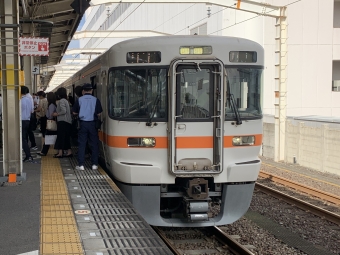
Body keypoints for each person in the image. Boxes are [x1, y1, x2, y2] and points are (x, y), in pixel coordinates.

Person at [72, 83, 102, 170]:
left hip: (83, 124)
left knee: (82, 144)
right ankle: (94, 164)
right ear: (92, 91)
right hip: (93, 124)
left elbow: (74, 112)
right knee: (94, 144)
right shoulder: (96, 100)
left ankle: (81, 165)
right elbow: (99, 113)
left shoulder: (79, 100)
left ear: (83, 91)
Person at [52, 87, 73, 158]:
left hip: (63, 121)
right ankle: (69, 152)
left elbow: (64, 111)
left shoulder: (61, 101)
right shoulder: (66, 100)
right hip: (67, 122)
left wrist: (56, 114)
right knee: (66, 137)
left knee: (61, 137)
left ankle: (60, 153)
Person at [37, 92, 57, 156]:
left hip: (50, 122)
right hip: (53, 122)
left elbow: (50, 115)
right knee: (50, 137)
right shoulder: (53, 104)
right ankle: (59, 151)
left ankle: (44, 152)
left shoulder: (51, 105)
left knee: (48, 137)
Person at [21, 86, 34, 162]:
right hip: (27, 120)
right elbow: (31, 110)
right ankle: (28, 155)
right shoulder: (29, 100)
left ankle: (28, 155)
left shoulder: (20, 101)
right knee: (24, 138)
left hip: (21, 120)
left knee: (23, 139)